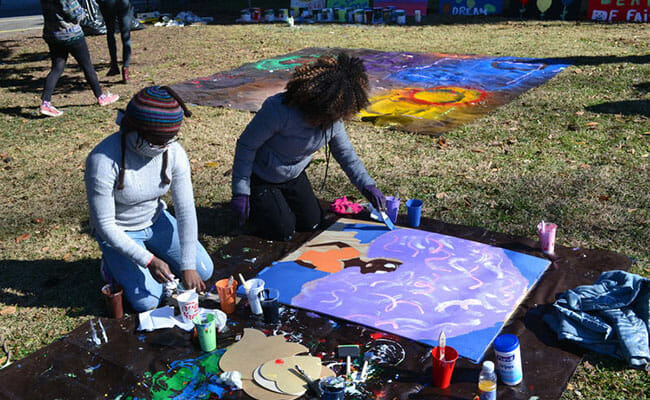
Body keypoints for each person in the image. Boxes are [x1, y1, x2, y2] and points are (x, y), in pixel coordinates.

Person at [230, 52, 386, 241]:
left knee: (311, 222)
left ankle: (276, 204)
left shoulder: (333, 117)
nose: (334, 120)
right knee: (283, 232)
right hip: (263, 176)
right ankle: (257, 204)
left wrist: (367, 185)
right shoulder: (278, 110)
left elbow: (346, 154)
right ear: (318, 103)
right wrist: (241, 191)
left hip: (294, 174)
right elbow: (246, 146)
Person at [85, 86, 214, 312]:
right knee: (148, 301)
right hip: (120, 230)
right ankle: (111, 264)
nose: (162, 147)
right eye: (156, 140)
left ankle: (149, 257)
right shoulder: (102, 160)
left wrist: (188, 265)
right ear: (133, 129)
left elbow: (185, 211)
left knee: (203, 270)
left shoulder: (174, 152)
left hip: (155, 221)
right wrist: (148, 260)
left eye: (169, 139)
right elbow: (104, 224)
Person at [40, 0, 119, 117]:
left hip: (53, 35)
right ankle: (101, 97)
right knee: (87, 66)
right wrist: (83, 13)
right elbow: (75, 15)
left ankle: (45, 103)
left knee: (57, 68)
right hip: (72, 36)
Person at [97, 0, 132, 82]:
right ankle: (125, 68)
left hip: (107, 3)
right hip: (123, 3)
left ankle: (114, 65)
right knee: (126, 34)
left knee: (110, 32)